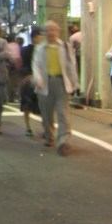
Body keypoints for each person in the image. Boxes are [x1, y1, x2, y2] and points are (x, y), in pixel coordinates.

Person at [32, 20, 79, 156]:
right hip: (45, 83)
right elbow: (35, 65)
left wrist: (74, 83)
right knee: (46, 114)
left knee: (63, 113)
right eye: (48, 30)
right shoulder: (40, 48)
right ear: (44, 33)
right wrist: (38, 78)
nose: (51, 32)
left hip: (61, 83)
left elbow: (72, 65)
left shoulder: (65, 47)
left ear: (58, 32)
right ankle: (49, 135)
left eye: (53, 30)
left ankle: (64, 141)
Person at [19, 26, 43, 137]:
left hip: (40, 80)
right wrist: (29, 75)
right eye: (40, 36)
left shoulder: (44, 50)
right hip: (29, 80)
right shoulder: (27, 50)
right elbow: (23, 65)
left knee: (42, 106)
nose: (42, 38)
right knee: (27, 105)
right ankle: (28, 127)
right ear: (34, 37)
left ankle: (45, 128)